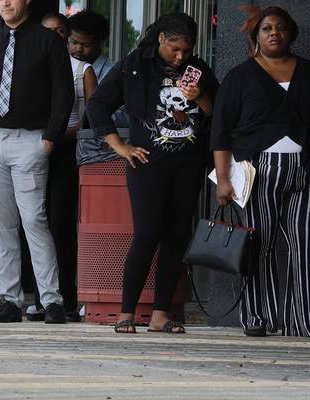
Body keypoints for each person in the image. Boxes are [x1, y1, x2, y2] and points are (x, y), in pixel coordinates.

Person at [87, 13, 217, 334]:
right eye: (175, 48)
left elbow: (220, 114)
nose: (180, 57)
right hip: (146, 165)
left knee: (176, 238)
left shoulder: (198, 70)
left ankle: (161, 314)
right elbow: (98, 104)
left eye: (187, 50)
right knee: (146, 235)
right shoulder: (136, 65)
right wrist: (119, 145)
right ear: (161, 38)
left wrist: (200, 97)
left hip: (188, 165)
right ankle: (126, 312)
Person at [0, 0, 73, 324]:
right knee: (1, 223)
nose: (5, 3)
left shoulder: (49, 41)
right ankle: (10, 300)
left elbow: (63, 95)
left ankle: (51, 300)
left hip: (32, 140)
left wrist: (49, 140)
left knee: (34, 220)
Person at [212, 6, 309, 337]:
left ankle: (301, 321)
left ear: (291, 33)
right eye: (267, 28)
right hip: (257, 170)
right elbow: (221, 131)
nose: (274, 33)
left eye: (281, 27)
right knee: (260, 244)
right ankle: (257, 317)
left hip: (304, 171)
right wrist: (223, 179)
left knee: (304, 244)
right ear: (256, 37)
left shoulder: (308, 72)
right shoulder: (240, 77)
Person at [37, 11, 98, 322]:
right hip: (34, 150)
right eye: (49, 32)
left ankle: (68, 298)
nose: (56, 38)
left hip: (66, 151)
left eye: (61, 32)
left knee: (60, 223)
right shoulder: (34, 67)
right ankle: (38, 298)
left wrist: (59, 136)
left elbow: (93, 118)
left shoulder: (81, 69)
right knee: (35, 222)